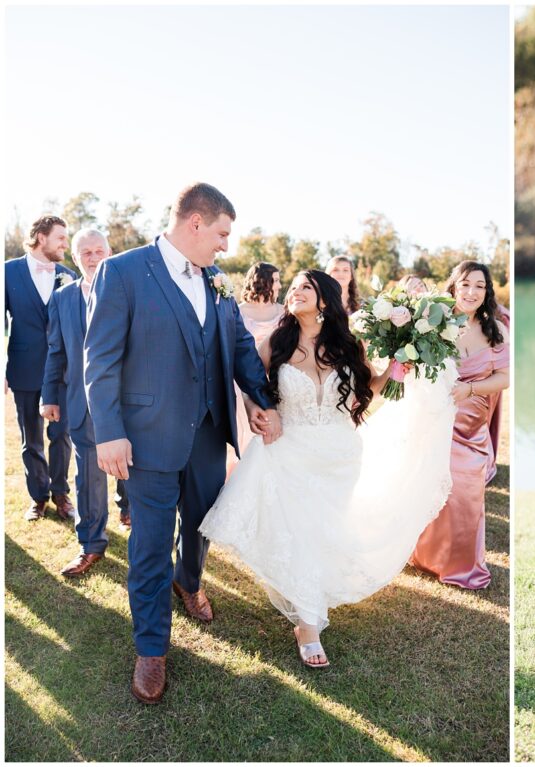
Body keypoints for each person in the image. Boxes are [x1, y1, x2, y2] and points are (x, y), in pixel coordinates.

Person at [84, 182, 281, 704]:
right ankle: (151, 646)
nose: (225, 246)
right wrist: (109, 432)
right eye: (221, 233)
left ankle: (189, 581)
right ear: (195, 222)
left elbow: (239, 345)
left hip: (209, 433)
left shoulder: (217, 280)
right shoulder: (122, 272)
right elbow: (100, 360)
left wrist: (259, 399)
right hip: (145, 441)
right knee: (149, 544)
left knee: (202, 522)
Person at [200, 270, 457, 668]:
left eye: (306, 287)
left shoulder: (348, 344)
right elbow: (248, 383)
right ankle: (309, 624)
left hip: (339, 455)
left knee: (322, 534)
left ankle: (308, 610)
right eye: (294, 288)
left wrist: (398, 368)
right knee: (302, 533)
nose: (295, 292)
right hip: (288, 450)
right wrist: (257, 412)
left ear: (325, 300)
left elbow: (368, 391)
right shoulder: (277, 342)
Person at [411, 261, 509, 589]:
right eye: (466, 284)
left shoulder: (497, 330)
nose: (471, 292)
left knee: (466, 494)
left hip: (472, 425)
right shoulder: (432, 322)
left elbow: (504, 378)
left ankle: (463, 566)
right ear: (454, 285)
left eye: (479, 286)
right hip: (437, 419)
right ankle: (426, 556)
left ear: (487, 292)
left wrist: (470, 388)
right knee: (432, 487)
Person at [42, 229, 131, 576]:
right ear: (75, 259)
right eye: (85, 253)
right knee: (88, 478)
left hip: (129, 402)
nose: (93, 258)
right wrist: (50, 395)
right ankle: (90, 545)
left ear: (110, 253)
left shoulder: (129, 292)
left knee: (134, 469)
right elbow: (55, 351)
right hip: (81, 402)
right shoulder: (63, 299)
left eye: (98, 251)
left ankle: (134, 519)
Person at [5, 215, 77, 522]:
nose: (65, 243)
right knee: (29, 438)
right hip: (23, 367)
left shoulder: (68, 275)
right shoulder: (7, 272)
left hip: (62, 372)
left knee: (61, 436)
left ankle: (61, 494)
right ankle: (38, 497)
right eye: (61, 237)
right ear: (41, 237)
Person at [226, 262, 285, 476]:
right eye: (276, 280)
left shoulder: (283, 312)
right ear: (262, 281)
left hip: (275, 378)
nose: (279, 285)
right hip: (242, 382)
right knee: (245, 435)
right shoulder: (239, 311)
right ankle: (242, 476)